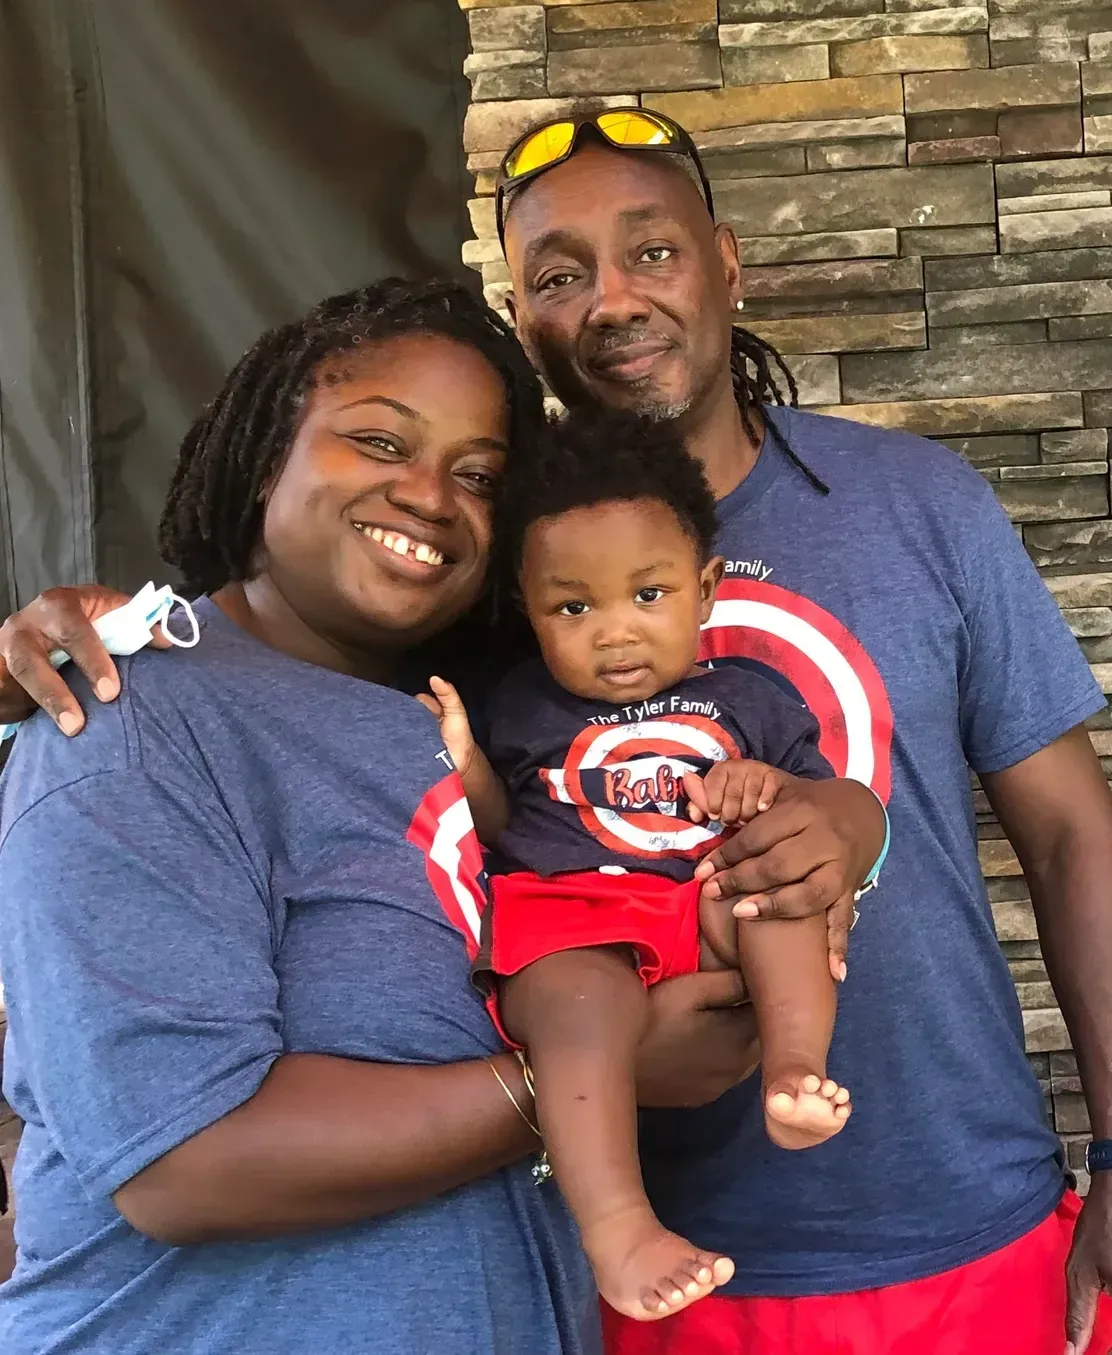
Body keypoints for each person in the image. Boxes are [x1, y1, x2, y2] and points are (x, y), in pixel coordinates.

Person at [0, 110, 1112, 1353]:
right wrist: (100, 645)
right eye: (559, 276)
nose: (613, 300)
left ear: (724, 262)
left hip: (954, 1223)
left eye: (651, 252)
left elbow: (1070, 839)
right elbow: (272, 660)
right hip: (637, 1258)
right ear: (526, 320)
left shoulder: (915, 504)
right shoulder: (485, 581)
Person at [0, 276, 876, 1353]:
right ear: (269, 450)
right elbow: (180, 1162)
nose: (426, 494)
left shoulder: (476, 714)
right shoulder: (131, 719)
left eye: (478, 476)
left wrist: (842, 824)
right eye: (378, 441)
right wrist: (585, 1075)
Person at [425, 406, 852, 1322]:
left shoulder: (750, 699)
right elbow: (500, 824)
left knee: (776, 896)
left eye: (648, 595)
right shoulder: (523, 706)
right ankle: (618, 1225)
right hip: (575, 916)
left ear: (706, 588)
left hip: (704, 901)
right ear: (529, 608)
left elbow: (815, 816)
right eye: (574, 607)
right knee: (575, 1004)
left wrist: (766, 784)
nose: (615, 632)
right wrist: (465, 761)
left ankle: (793, 1069)